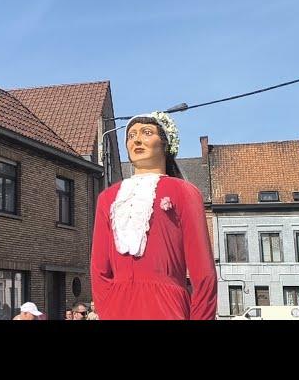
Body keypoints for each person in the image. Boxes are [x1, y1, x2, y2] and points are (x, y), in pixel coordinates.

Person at [91, 111, 217, 320]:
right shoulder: (108, 198)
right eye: (131, 136)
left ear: (165, 144)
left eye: (147, 133)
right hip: (117, 310)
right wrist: (109, 307)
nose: (137, 140)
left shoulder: (184, 192)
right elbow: (99, 270)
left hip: (168, 308)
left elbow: (203, 271)